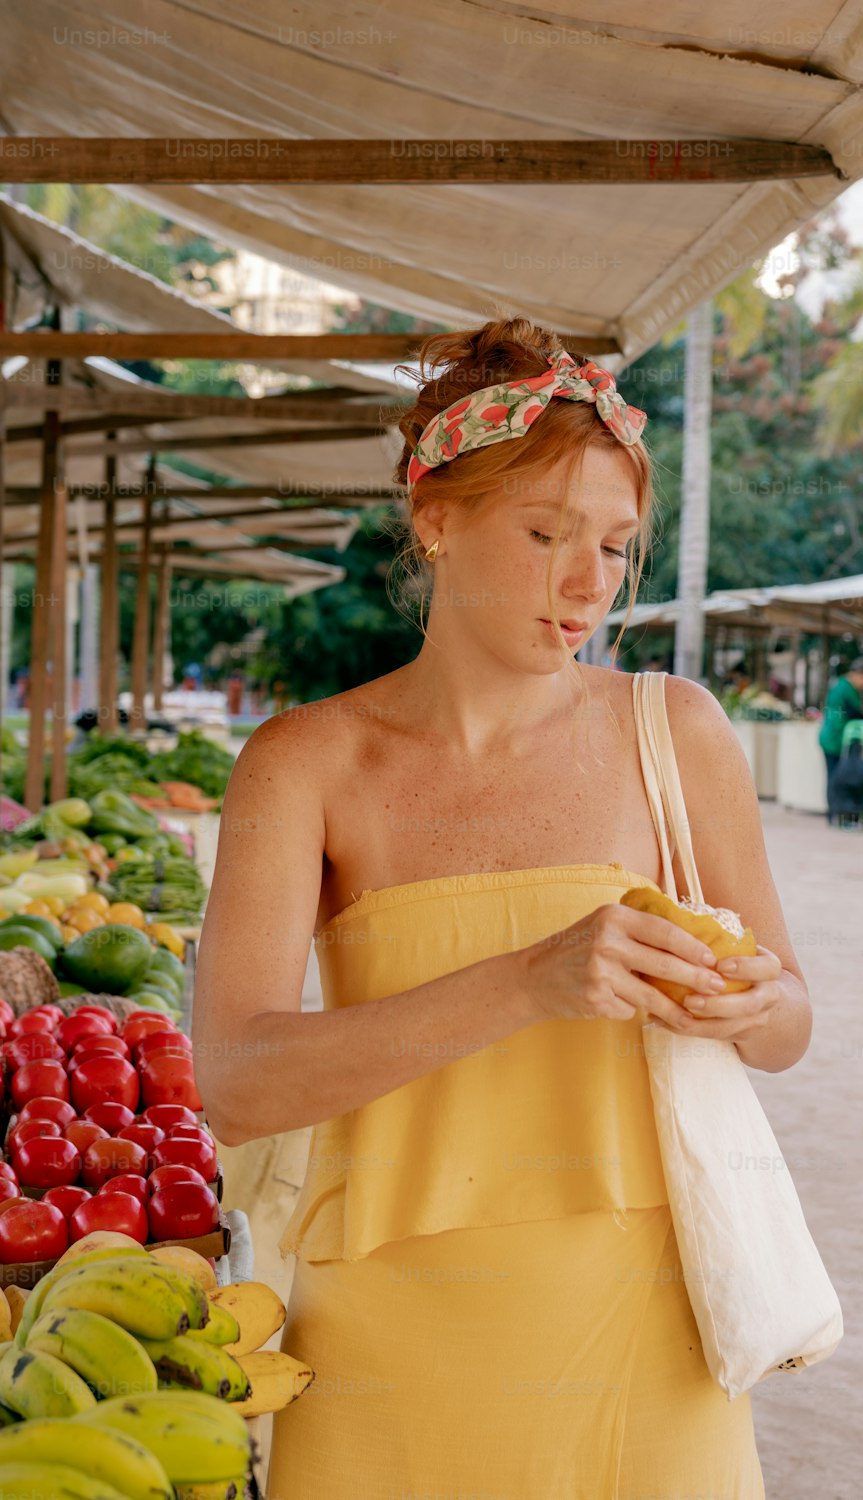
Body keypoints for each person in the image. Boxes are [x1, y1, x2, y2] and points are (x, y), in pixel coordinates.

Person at [193, 316, 812, 1499]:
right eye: (544, 533)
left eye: (617, 547)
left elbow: (789, 1027)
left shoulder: (674, 733)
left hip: (654, 1328)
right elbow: (235, 1076)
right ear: (435, 518)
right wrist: (527, 980)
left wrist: (751, 997)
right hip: (389, 1345)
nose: (588, 584)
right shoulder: (304, 764)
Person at [818, 655, 863, 826]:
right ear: (859, 674)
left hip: (832, 738)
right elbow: (856, 712)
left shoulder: (841, 685)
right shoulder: (846, 689)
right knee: (835, 778)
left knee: (833, 776)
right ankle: (835, 814)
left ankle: (834, 815)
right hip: (833, 740)